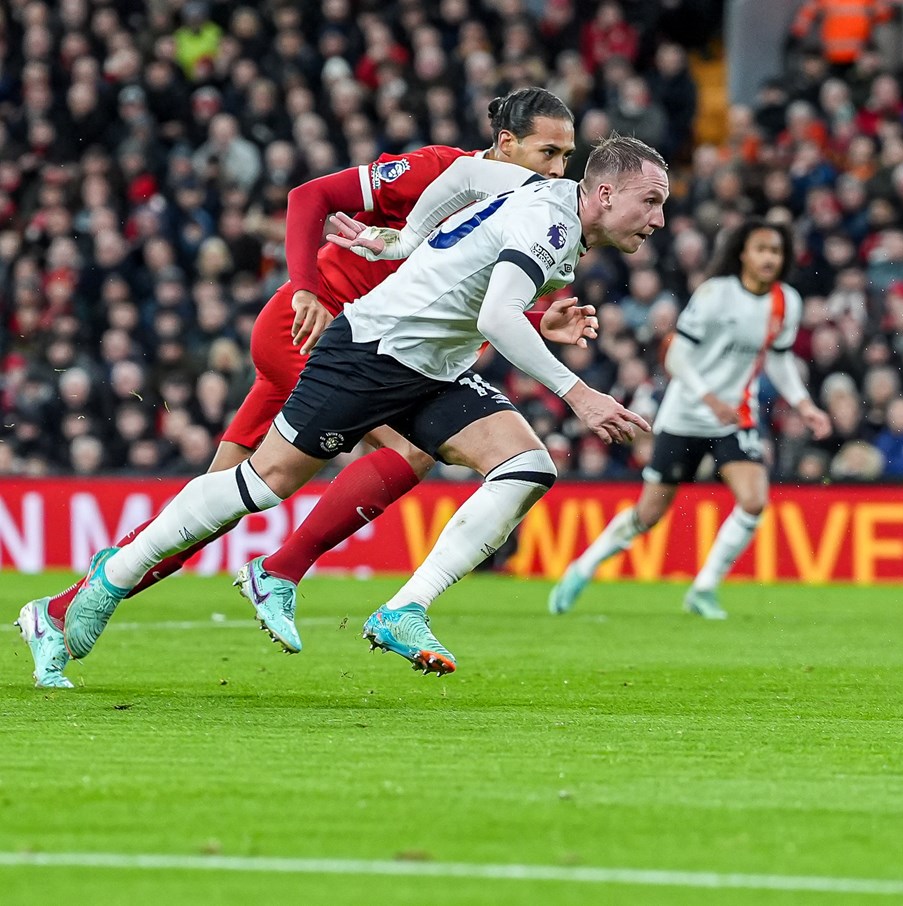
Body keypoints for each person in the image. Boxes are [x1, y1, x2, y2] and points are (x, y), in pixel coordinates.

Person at [16, 88, 587, 688]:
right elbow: (309, 196)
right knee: (408, 451)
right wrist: (306, 285)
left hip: (364, 350)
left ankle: (55, 614)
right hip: (317, 328)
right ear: (505, 144)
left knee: (215, 506)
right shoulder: (441, 172)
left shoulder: (531, 214)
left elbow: (457, 303)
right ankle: (282, 570)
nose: (557, 170)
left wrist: (535, 321)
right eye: (547, 152)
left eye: (566, 157)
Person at [548, 219, 832, 619]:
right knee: (648, 516)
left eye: (776, 251)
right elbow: (676, 355)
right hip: (685, 414)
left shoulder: (786, 302)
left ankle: (704, 588)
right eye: (761, 249)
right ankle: (584, 567)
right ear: (743, 254)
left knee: (753, 501)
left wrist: (804, 405)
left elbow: (780, 358)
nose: (769, 257)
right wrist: (710, 399)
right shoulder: (716, 294)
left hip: (735, 416)